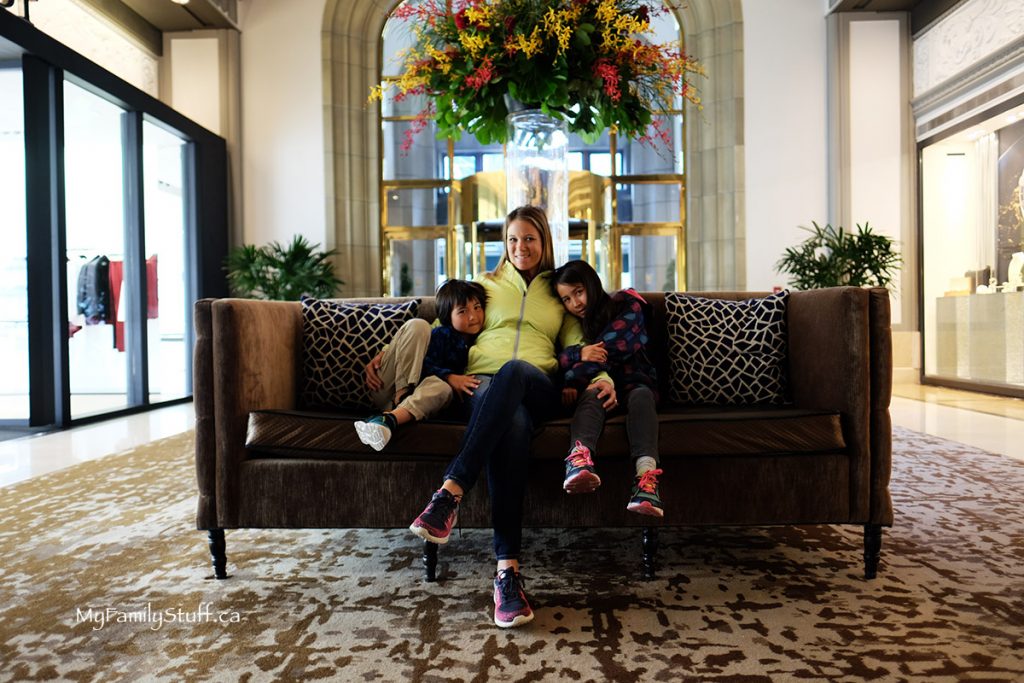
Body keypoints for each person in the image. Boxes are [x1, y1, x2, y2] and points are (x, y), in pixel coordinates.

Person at [407, 206, 615, 629]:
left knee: (516, 371)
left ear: (545, 242)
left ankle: (450, 492)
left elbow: (583, 343)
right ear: (504, 243)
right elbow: (439, 325)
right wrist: (393, 354)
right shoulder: (484, 285)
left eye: (530, 239)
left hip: (540, 385)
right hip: (481, 388)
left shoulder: (557, 289)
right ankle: (507, 574)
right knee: (513, 425)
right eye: (513, 240)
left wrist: (605, 376)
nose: (521, 247)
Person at [551, 260, 664, 517]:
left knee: (642, 397)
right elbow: (560, 361)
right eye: (566, 299)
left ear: (591, 282)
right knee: (594, 393)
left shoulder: (626, 303)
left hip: (637, 384)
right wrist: (579, 354)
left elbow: (608, 352)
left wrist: (571, 367)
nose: (575, 303)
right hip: (602, 386)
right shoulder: (575, 326)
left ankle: (647, 481)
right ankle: (579, 463)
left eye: (578, 292)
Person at [355, 279, 487, 451]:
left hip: (416, 401)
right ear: (447, 317)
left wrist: (447, 381)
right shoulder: (441, 335)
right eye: (463, 311)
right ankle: (401, 397)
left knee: (443, 389)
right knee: (419, 325)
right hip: (388, 385)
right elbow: (424, 363)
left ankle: (387, 420)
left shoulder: (482, 340)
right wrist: (449, 376)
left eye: (477, 307)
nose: (473, 316)